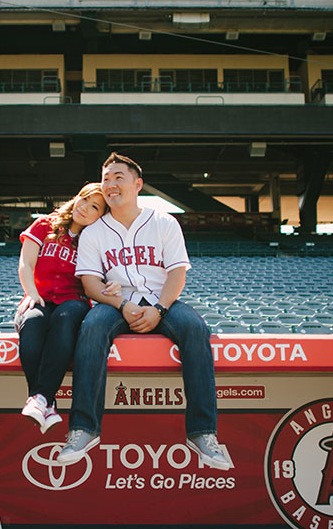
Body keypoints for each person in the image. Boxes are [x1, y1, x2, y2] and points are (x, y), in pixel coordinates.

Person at [56, 152, 231, 470]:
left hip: (161, 299)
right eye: (105, 178)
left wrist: (161, 310)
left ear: (137, 184)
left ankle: (203, 434)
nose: (110, 184)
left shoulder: (164, 221)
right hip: (116, 303)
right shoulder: (95, 231)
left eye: (118, 177)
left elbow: (178, 274)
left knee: (194, 327)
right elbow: (91, 284)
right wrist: (122, 305)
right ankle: (83, 428)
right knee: (92, 327)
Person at [16, 182, 120, 434]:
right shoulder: (44, 225)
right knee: (32, 325)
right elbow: (26, 264)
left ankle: (40, 399)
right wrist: (32, 293)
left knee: (63, 319)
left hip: (73, 301)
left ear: (101, 216)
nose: (84, 207)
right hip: (39, 297)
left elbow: (102, 278)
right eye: (83, 199)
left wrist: (114, 284)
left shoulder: (96, 241)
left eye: (94, 206)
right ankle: (45, 402)